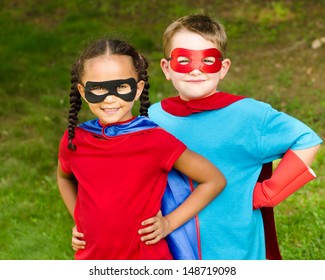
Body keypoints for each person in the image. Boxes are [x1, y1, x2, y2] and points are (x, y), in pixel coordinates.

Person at [147, 14, 322, 260]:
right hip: (175, 241)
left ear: (223, 68)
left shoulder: (249, 114)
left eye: (207, 60)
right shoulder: (154, 116)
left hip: (235, 245)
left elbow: (306, 138)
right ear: (166, 68)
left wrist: (269, 192)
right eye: (184, 60)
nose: (196, 70)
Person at [57, 37, 226, 260]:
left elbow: (214, 180)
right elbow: (64, 176)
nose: (110, 98)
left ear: (137, 90)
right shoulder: (75, 140)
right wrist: (79, 220)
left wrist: (168, 223)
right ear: (82, 91)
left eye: (121, 87)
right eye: (98, 88)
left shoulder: (154, 141)